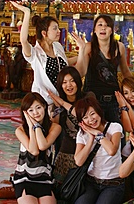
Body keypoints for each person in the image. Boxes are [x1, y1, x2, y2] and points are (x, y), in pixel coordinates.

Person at [11, 2, 85, 106]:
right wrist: (27, 13)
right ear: (44, 33)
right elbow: (23, 40)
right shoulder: (35, 53)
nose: (59, 31)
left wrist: (82, 54)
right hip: (45, 101)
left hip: (62, 99)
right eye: (55, 28)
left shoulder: (57, 46)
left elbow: (64, 63)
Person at [74, 94, 125, 204]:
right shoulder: (82, 134)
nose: (91, 120)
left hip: (113, 184)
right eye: (85, 117)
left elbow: (112, 150)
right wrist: (91, 139)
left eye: (92, 114)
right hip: (91, 182)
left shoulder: (115, 127)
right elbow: (78, 161)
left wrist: (97, 134)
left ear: (99, 111)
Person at [12, 92, 61, 203]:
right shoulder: (20, 130)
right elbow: (34, 151)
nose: (35, 113)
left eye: (38, 107)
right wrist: (31, 126)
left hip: (45, 179)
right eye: (30, 110)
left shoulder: (55, 127)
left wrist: (36, 126)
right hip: (24, 178)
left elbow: (43, 145)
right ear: (25, 113)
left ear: (44, 106)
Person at [82, 14, 132, 123]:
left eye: (107, 25)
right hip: (94, 100)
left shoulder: (119, 47)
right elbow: (82, 71)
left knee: (118, 133)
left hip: (114, 99)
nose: (103, 28)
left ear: (112, 30)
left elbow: (125, 71)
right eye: (100, 25)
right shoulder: (89, 47)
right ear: (94, 29)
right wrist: (81, 52)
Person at [48, 66, 84, 195]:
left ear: (78, 83)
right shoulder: (56, 105)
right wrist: (56, 110)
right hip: (66, 152)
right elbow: (54, 130)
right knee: (60, 191)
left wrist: (62, 103)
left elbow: (81, 115)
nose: (69, 85)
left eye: (72, 81)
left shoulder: (87, 98)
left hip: (86, 152)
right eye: (64, 82)